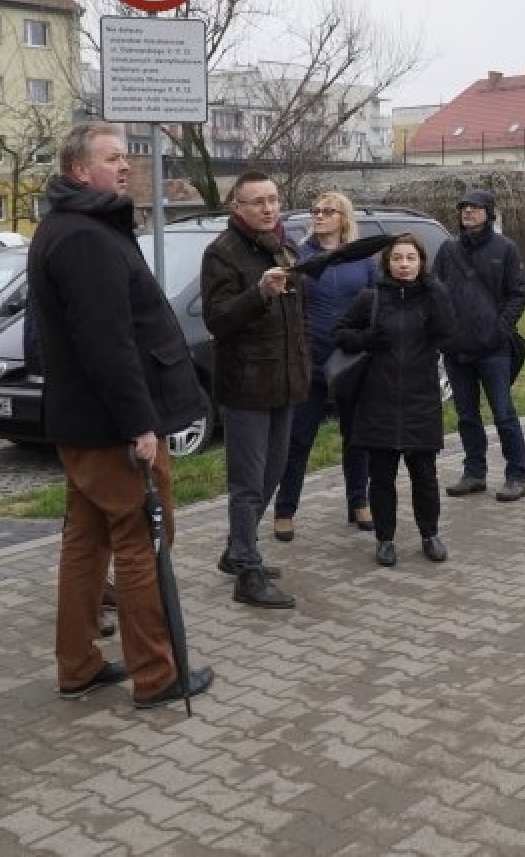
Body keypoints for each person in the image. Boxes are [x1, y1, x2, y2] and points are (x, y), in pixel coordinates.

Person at [27, 121, 213, 709]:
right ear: (81, 171)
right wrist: (140, 424)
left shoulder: (72, 226)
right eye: (113, 158)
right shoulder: (82, 236)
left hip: (82, 421)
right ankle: (157, 675)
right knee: (141, 542)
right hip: (110, 426)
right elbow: (108, 344)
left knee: (85, 541)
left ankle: (78, 664)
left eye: (125, 157)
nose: (126, 165)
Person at [201, 170, 311, 609]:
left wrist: (305, 360)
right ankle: (247, 572)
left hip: (285, 382)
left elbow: (298, 313)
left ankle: (236, 549)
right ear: (237, 208)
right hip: (246, 385)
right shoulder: (222, 253)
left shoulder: (286, 246)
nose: (268, 208)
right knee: (247, 483)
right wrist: (259, 292)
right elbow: (217, 318)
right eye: (257, 202)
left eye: (273, 199)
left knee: (272, 472)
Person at [333, 234, 457, 567]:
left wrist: (436, 290)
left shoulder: (433, 296)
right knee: (382, 477)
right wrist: (367, 339)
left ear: (421, 262)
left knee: (425, 476)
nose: (404, 265)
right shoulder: (370, 298)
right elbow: (342, 335)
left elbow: (449, 334)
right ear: (387, 262)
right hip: (379, 400)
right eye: (398, 258)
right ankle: (385, 539)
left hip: (420, 400)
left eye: (411, 258)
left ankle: (429, 534)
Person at [271, 191, 378, 541]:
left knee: (356, 438)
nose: (318, 216)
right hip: (309, 361)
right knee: (299, 438)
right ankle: (285, 509)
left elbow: (375, 309)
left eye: (327, 211)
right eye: (315, 211)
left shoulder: (362, 260)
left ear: (343, 218)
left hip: (350, 363)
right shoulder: (300, 257)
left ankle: (359, 502)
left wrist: (366, 343)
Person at [433, 188, 525, 503]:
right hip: (456, 349)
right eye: (464, 208)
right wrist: (444, 333)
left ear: (489, 212)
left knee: (504, 414)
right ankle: (474, 473)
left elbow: (518, 295)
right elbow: (436, 292)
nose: (468, 212)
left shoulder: (506, 249)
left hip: (494, 350)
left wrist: (500, 331)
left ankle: (517, 475)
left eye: (475, 208)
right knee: (466, 416)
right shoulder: (448, 251)